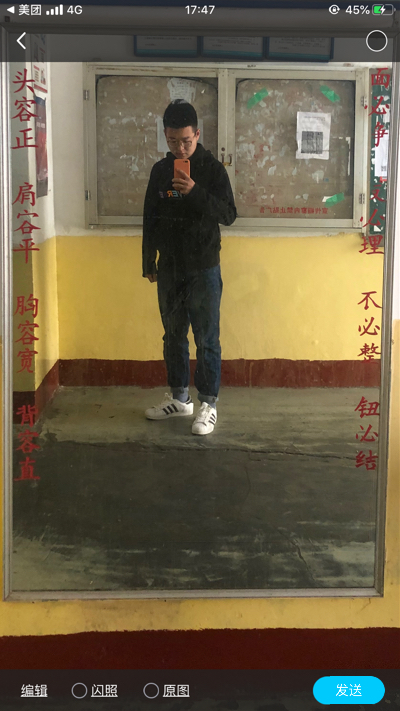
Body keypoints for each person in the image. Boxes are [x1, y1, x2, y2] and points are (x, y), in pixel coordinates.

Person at [142, 99, 237, 435]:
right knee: (173, 336)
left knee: (206, 338)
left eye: (185, 141)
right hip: (169, 268)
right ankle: (180, 399)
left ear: (197, 134)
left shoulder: (213, 170)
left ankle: (208, 404)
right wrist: (147, 259)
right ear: (165, 135)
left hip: (204, 268)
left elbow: (229, 214)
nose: (179, 148)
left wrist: (195, 191)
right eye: (172, 141)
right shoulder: (160, 171)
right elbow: (150, 217)